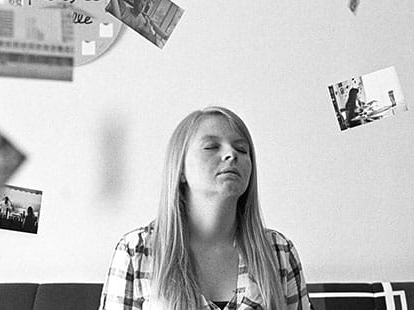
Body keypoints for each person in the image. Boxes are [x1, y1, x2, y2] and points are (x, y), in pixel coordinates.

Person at [99, 106, 313, 310]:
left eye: (242, 149)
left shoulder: (278, 251)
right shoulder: (136, 251)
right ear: (180, 170)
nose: (231, 154)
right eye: (211, 146)